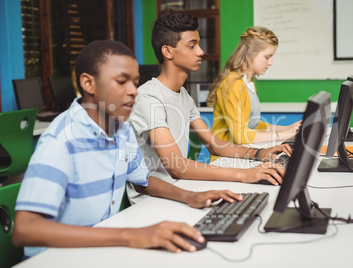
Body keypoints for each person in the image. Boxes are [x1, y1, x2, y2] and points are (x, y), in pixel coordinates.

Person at [12, 40, 243, 258]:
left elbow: (142, 180)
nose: (133, 90)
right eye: (122, 81)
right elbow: (25, 230)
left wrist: (190, 196)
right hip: (58, 258)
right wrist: (131, 235)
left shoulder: (120, 128)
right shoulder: (62, 139)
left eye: (135, 82)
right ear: (88, 83)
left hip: (98, 247)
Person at [128, 13, 291, 202]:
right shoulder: (149, 97)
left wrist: (258, 154)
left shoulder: (183, 96)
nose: (201, 52)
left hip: (181, 188)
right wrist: (244, 174)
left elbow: (214, 144)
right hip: (153, 200)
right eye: (192, 46)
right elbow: (177, 166)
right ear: (168, 51)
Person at [207, 26, 302, 162]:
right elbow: (240, 135)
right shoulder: (233, 84)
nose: (271, 63)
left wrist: (288, 128)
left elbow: (254, 124)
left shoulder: (248, 83)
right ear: (250, 54)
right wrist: (285, 135)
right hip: (226, 159)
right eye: (267, 57)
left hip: (243, 153)